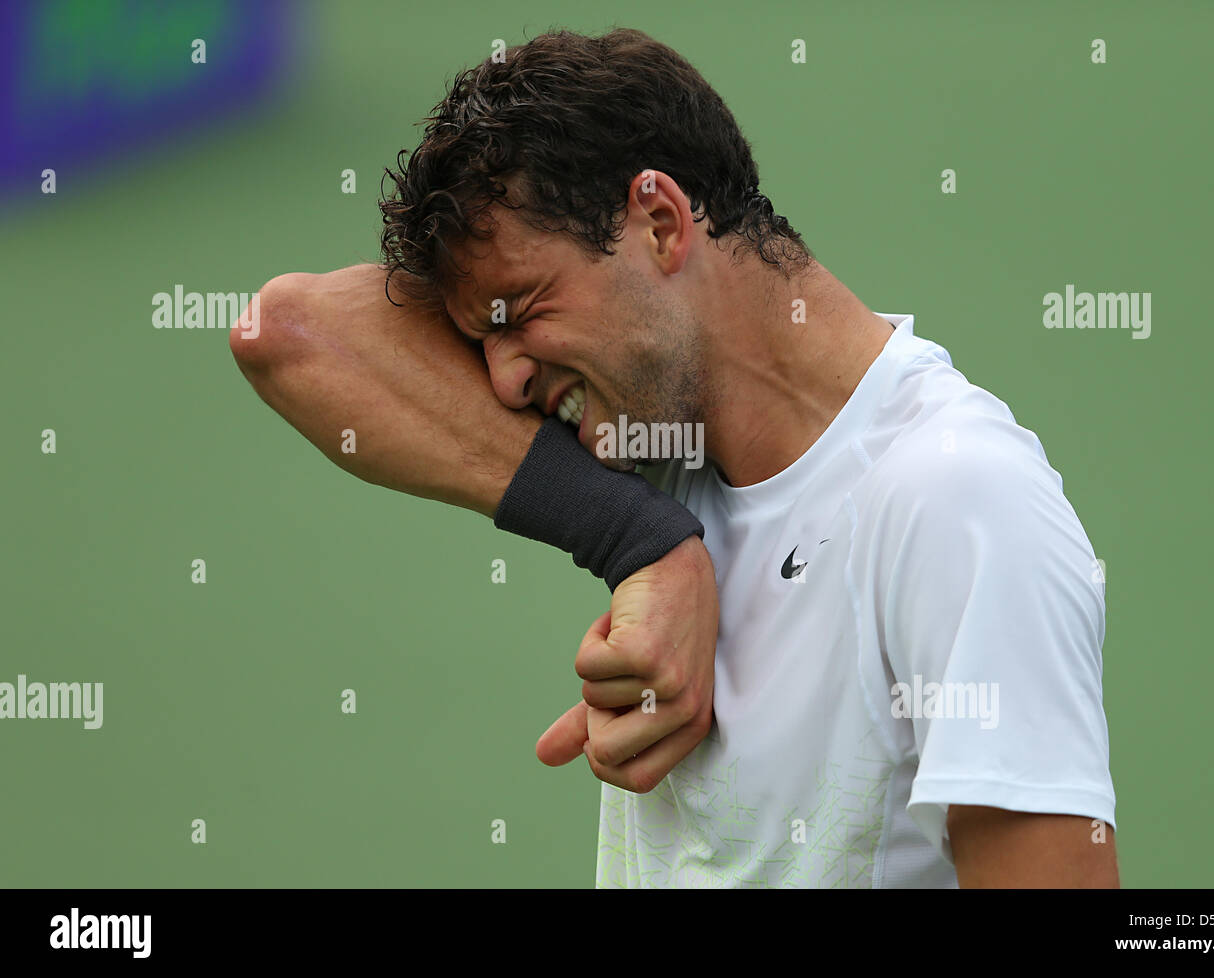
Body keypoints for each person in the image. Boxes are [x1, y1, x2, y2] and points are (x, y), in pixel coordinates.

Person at [232, 28, 1118, 887]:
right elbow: (291, 330)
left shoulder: (957, 497)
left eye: (520, 309)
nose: (501, 383)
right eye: (479, 340)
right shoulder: (655, 446)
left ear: (659, 222)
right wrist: (645, 541)